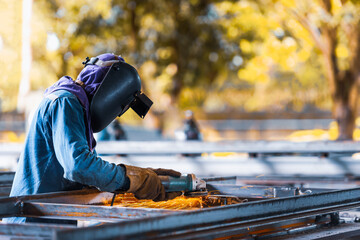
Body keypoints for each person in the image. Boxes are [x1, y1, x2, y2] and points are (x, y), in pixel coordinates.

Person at [4, 53, 181, 224]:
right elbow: (78, 166)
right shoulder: (66, 102)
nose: (116, 116)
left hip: (46, 220)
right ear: (110, 89)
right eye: (120, 107)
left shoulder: (73, 106)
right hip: (31, 223)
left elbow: (89, 174)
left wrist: (144, 175)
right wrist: (134, 180)